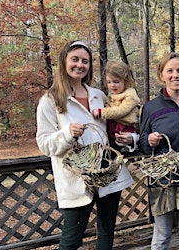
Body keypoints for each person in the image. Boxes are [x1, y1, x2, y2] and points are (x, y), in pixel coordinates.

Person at [36, 40, 134, 249]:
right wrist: (67, 134)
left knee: (106, 233)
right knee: (71, 239)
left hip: (107, 175)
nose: (80, 65)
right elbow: (44, 143)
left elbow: (116, 126)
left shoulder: (99, 95)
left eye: (85, 61)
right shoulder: (50, 100)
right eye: (75, 59)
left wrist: (127, 140)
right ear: (64, 61)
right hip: (76, 180)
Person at [137, 52, 179, 250]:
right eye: (170, 71)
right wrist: (149, 141)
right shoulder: (150, 108)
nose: (175, 75)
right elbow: (142, 143)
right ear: (161, 75)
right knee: (163, 235)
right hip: (163, 180)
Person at [92, 60, 140, 153]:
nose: (112, 85)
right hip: (112, 129)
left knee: (112, 151)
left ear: (125, 81)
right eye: (109, 82)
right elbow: (109, 105)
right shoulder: (111, 94)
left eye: (116, 82)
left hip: (123, 128)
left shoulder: (130, 95)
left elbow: (121, 111)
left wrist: (102, 112)